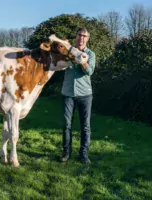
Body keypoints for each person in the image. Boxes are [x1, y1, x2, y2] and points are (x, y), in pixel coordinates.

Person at [60, 27, 96, 164]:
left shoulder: (91, 54)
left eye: (85, 36)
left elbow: (90, 71)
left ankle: (84, 154)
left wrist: (82, 61)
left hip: (85, 95)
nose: (82, 38)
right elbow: (61, 65)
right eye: (80, 35)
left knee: (85, 126)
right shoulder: (69, 52)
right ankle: (66, 152)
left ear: (87, 39)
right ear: (76, 36)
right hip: (67, 93)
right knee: (66, 125)